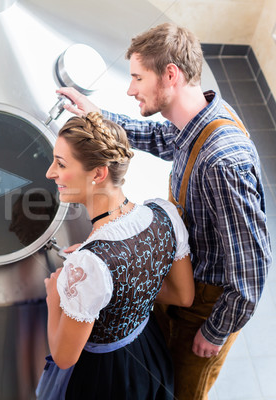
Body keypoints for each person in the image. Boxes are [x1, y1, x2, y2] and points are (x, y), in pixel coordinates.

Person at [58, 22, 272, 399]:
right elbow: (158, 137)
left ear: (169, 75)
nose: (130, 89)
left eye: (138, 78)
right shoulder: (196, 120)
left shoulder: (223, 161)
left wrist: (215, 331)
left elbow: (252, 270)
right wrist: (99, 116)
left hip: (205, 312)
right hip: (185, 291)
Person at [42, 112, 194, 399]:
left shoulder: (89, 264)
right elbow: (182, 295)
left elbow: (64, 358)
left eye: (60, 164)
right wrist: (114, 283)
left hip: (104, 377)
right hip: (149, 352)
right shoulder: (165, 214)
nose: (50, 173)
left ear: (98, 174)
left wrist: (55, 299)